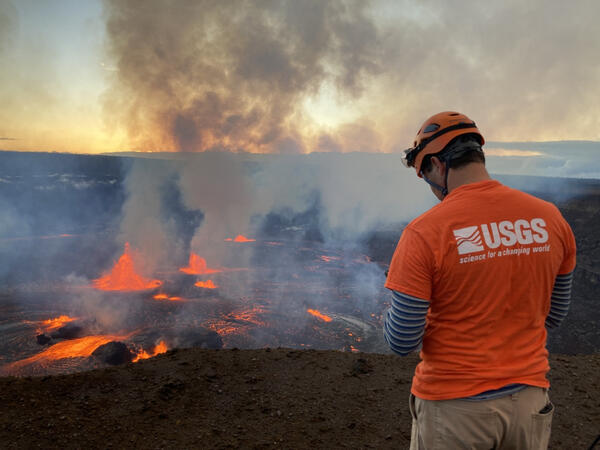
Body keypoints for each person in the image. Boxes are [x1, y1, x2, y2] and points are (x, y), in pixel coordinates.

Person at [383, 111, 576, 449]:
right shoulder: (550, 218)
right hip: (529, 406)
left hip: (455, 411)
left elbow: (401, 341)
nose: (429, 186)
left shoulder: (425, 231)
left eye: (424, 174)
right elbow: (555, 314)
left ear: (438, 165)